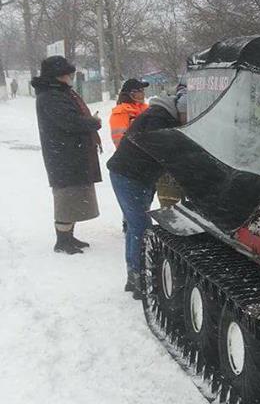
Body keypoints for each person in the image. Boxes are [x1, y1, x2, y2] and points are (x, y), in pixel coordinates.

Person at [107, 93, 187, 298]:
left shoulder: (160, 116)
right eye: (188, 116)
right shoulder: (158, 120)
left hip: (136, 176)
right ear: (181, 110)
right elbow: (166, 152)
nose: (189, 122)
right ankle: (141, 280)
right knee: (141, 228)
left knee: (136, 226)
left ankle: (134, 277)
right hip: (129, 177)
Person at [32, 56, 102, 255]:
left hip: (69, 153)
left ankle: (68, 236)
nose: (69, 77)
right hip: (63, 155)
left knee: (73, 196)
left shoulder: (57, 92)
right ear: (57, 76)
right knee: (66, 196)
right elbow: (69, 122)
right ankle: (62, 241)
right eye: (66, 74)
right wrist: (93, 122)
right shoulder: (51, 96)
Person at [109, 78, 149, 147]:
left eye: (143, 90)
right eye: (139, 91)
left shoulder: (146, 108)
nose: (143, 94)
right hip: (135, 154)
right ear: (131, 94)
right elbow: (120, 142)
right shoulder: (121, 112)